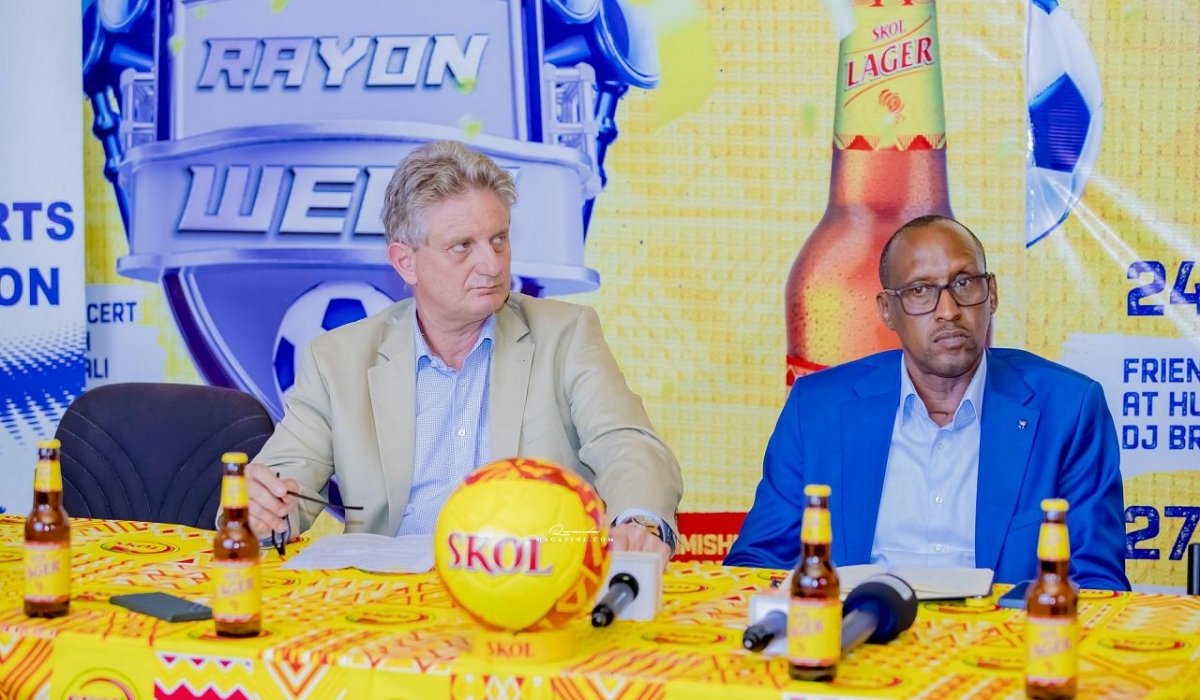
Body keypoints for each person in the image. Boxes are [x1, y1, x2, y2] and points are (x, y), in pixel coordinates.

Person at [241, 141, 683, 558]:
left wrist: (638, 520)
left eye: (499, 239)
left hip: (529, 586)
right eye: (462, 247)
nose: (492, 265)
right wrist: (262, 509)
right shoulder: (338, 360)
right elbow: (281, 488)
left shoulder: (566, 335)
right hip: (388, 602)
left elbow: (627, 443)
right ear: (404, 261)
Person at [726, 215, 1129, 590]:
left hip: (1004, 650)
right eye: (920, 291)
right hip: (857, 642)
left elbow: (1096, 583)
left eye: (964, 283)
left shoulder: (1069, 409)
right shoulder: (818, 409)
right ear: (888, 310)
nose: (949, 311)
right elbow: (758, 564)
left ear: (992, 294)